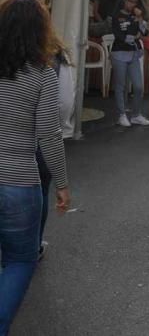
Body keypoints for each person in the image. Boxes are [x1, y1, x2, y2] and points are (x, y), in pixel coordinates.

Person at [0, 0, 70, 334]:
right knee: (18, 261)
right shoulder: (43, 75)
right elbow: (49, 135)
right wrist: (61, 182)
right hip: (18, 181)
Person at [37, 31, 75, 259]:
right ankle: (33, 244)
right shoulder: (54, 58)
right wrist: (62, 184)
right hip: (36, 146)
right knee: (39, 191)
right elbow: (64, 104)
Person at [111, 0, 149, 127]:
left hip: (134, 53)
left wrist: (140, 19)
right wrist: (133, 37)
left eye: (135, 2)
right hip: (119, 53)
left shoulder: (136, 16)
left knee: (139, 86)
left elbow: (145, 32)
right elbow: (119, 35)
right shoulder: (117, 15)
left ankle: (136, 114)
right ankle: (121, 114)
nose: (132, 4)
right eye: (130, 1)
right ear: (124, 0)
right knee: (121, 85)